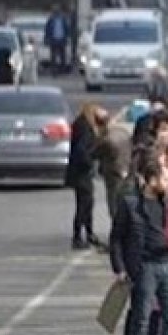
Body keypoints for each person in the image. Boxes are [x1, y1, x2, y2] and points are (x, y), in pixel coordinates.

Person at [110, 161, 168, 335]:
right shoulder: (131, 204)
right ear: (152, 181)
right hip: (144, 266)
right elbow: (117, 239)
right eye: (164, 178)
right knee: (142, 316)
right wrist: (120, 268)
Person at [67, 103, 105, 249]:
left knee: (87, 203)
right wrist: (90, 162)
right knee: (84, 204)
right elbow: (82, 150)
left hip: (79, 172)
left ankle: (89, 233)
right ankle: (78, 236)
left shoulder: (81, 124)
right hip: (81, 172)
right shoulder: (86, 128)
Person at [44, 4, 70, 72]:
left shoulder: (63, 19)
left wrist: (67, 37)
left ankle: (62, 69)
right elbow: (47, 29)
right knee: (53, 56)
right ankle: (53, 69)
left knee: (62, 56)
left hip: (62, 39)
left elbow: (67, 29)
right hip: (53, 39)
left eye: (57, 11)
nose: (56, 13)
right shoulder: (51, 19)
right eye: (55, 11)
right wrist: (47, 38)